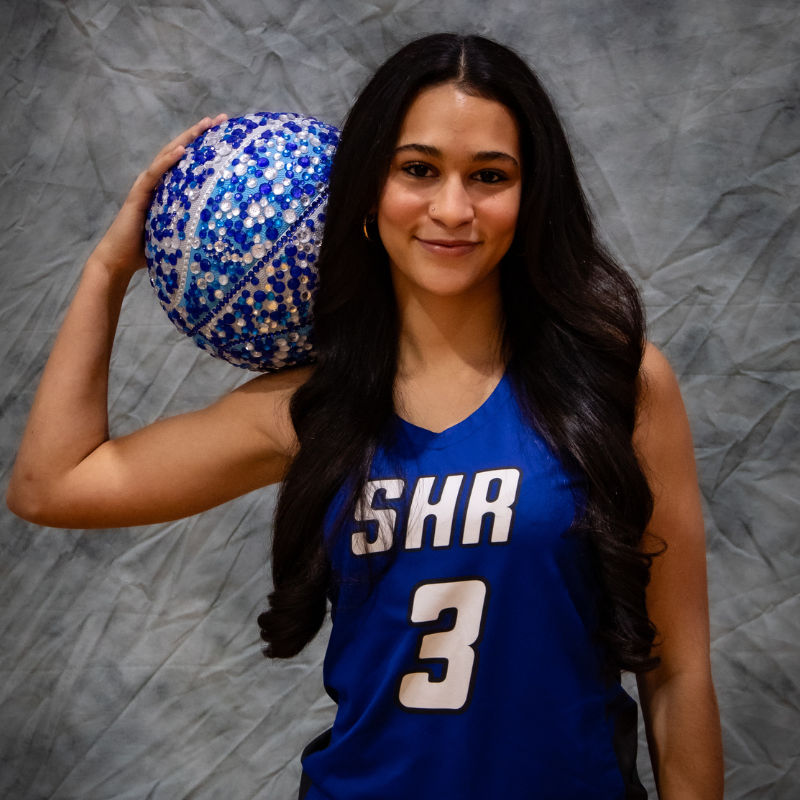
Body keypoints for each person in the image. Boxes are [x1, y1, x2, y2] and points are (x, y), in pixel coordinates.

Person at [7, 32, 723, 800]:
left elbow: (678, 673)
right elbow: (52, 484)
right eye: (418, 170)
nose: (452, 208)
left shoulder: (616, 384)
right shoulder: (313, 406)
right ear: (366, 191)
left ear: (532, 194)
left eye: (489, 175)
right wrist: (109, 269)